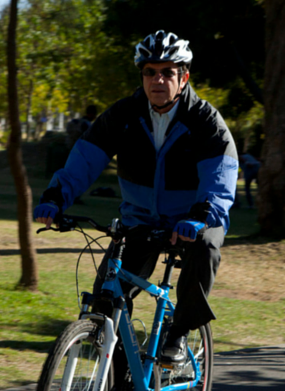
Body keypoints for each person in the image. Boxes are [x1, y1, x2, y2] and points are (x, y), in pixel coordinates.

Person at [33, 30, 238, 369]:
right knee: (106, 299)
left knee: (205, 247)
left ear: (184, 77)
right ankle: (120, 384)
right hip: (141, 219)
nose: (158, 79)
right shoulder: (123, 116)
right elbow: (84, 160)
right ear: (142, 77)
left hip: (194, 218)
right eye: (150, 72)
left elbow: (220, 176)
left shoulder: (205, 121)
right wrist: (56, 197)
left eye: (167, 72)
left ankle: (180, 331)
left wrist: (201, 215)